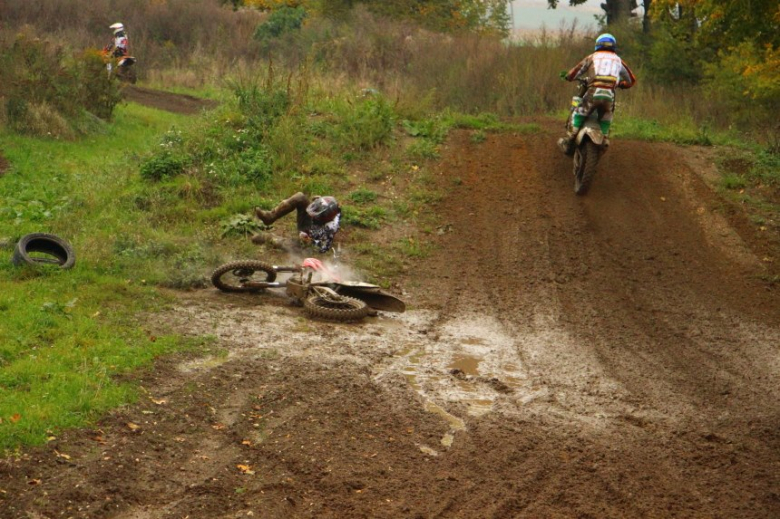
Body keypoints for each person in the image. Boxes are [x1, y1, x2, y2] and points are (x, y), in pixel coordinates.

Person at [559, 33, 636, 154]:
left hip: (593, 92)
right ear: (613, 46)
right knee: (607, 114)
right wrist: (622, 84)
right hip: (609, 94)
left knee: (580, 111)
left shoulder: (592, 57)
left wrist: (568, 77)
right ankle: (604, 137)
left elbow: (576, 71)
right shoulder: (619, 60)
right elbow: (631, 80)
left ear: (598, 45)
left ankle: (570, 139)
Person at [254, 193, 341, 253]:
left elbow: (316, 247)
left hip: (311, 236)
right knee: (300, 197)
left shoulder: (328, 230)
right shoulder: (333, 210)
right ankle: (270, 216)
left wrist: (307, 239)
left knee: (301, 247)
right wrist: (318, 202)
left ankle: (268, 238)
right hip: (316, 223)